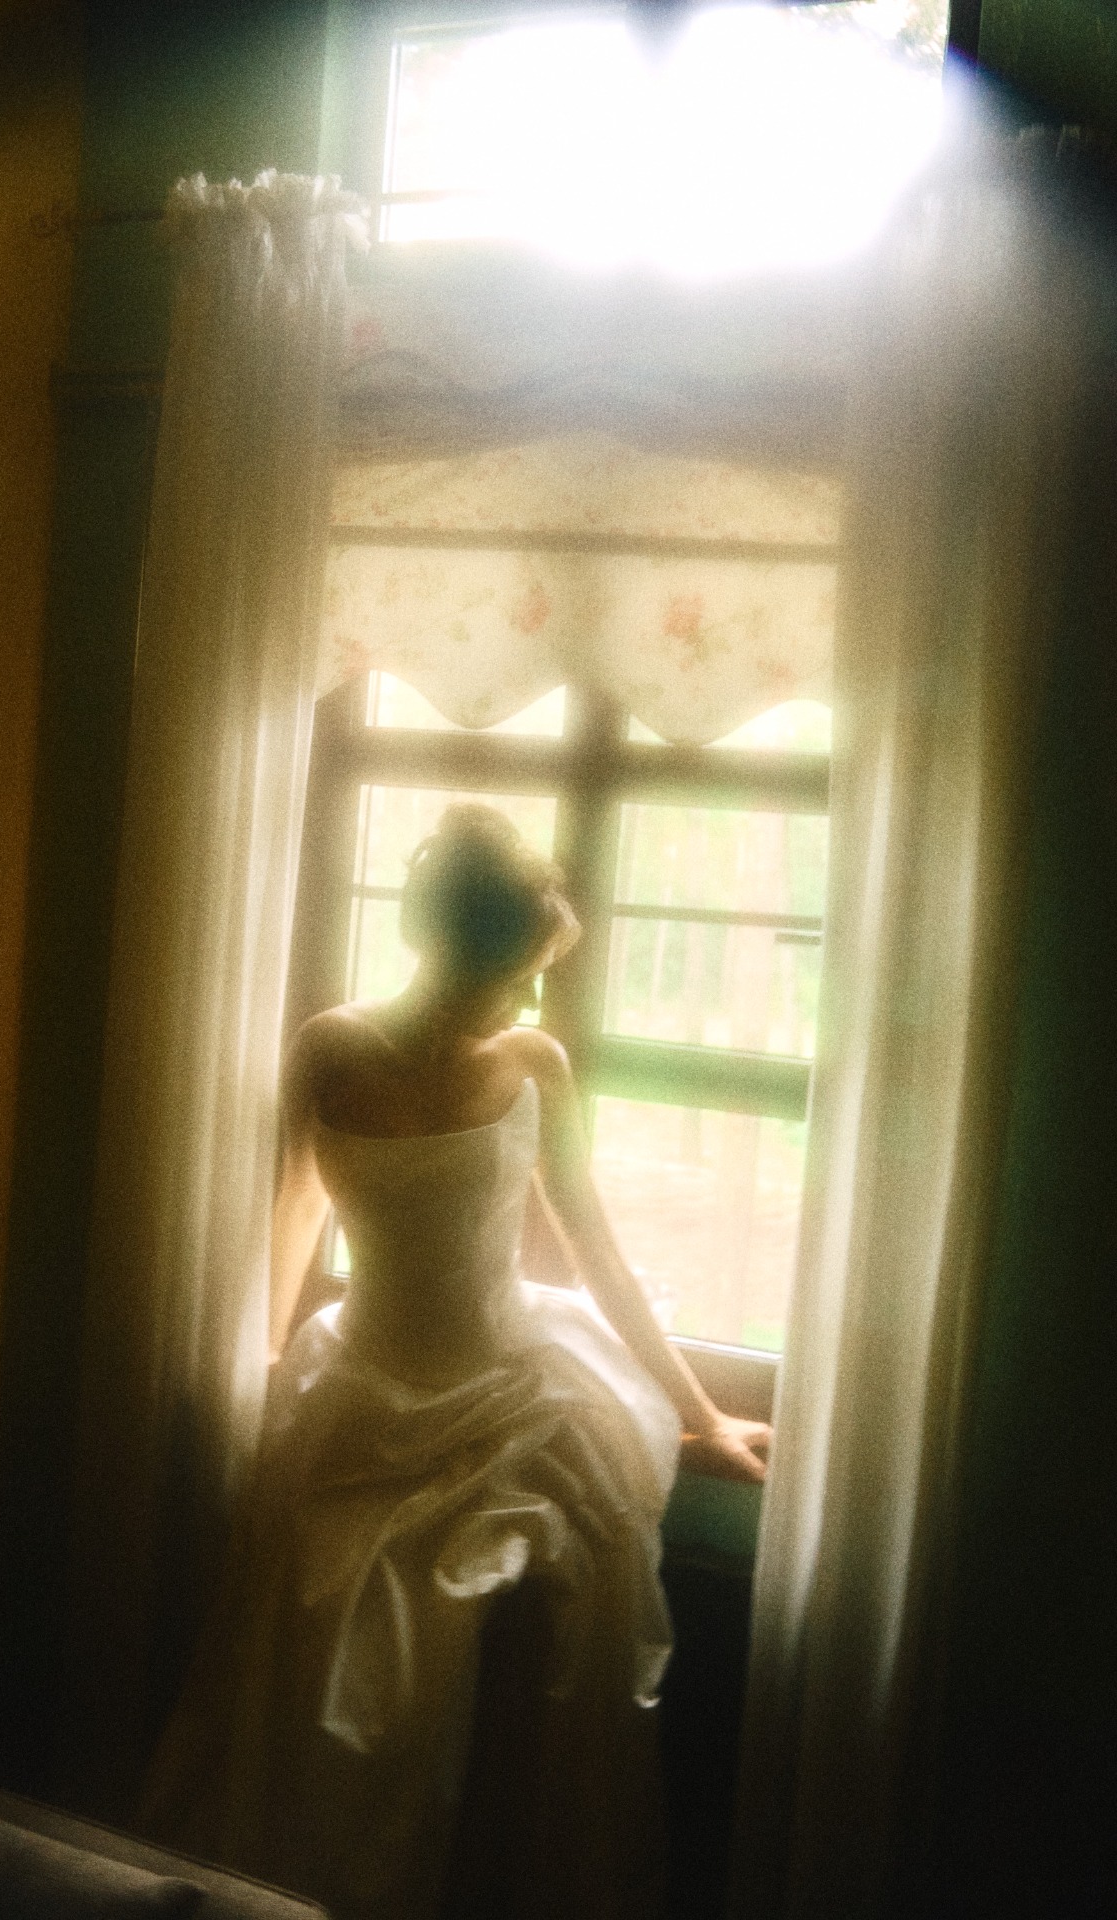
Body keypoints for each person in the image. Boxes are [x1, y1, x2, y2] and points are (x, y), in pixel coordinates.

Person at [139, 803, 770, 1920]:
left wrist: (704, 1415)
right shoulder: (329, 1049)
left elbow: (599, 1253)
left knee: (552, 1641)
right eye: (519, 977)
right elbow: (292, 1216)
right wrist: (267, 1360)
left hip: (515, 1394)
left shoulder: (535, 1063)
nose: (531, 1000)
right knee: (329, 1669)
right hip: (361, 1394)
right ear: (457, 956)